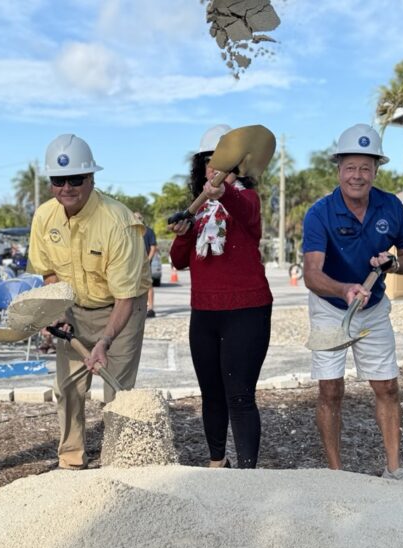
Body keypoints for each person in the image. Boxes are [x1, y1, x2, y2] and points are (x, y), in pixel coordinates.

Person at [302, 124, 403, 479]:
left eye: (365, 168)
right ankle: (337, 474)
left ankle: (394, 469)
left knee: (387, 386)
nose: (358, 175)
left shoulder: (391, 206)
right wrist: (343, 290)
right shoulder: (319, 213)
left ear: (376, 170)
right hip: (330, 306)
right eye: (351, 167)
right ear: (338, 169)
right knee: (330, 389)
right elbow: (311, 274)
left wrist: (393, 263)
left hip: (374, 307)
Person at [28, 134, 149, 470]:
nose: (67, 187)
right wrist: (60, 313)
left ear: (92, 178)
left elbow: (125, 297)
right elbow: (48, 274)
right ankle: (70, 459)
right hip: (75, 311)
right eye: (58, 180)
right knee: (67, 388)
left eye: (76, 179)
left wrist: (105, 342)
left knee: (118, 392)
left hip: (121, 311)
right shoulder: (44, 218)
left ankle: (119, 463)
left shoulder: (118, 222)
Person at [168, 124, 273, 469]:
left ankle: (246, 472)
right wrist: (184, 233)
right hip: (204, 312)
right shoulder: (197, 209)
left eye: (223, 162)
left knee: (239, 395)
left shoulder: (245, 198)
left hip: (247, 310)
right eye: (208, 162)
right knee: (211, 395)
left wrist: (222, 193)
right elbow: (179, 260)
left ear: (239, 166)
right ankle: (217, 462)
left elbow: (248, 214)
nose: (214, 169)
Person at [140, 214, 158, 318]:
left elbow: (153, 247)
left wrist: (147, 260)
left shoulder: (148, 231)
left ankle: (151, 308)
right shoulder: (130, 231)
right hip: (132, 264)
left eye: (139, 217)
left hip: (145, 264)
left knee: (148, 286)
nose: (137, 219)